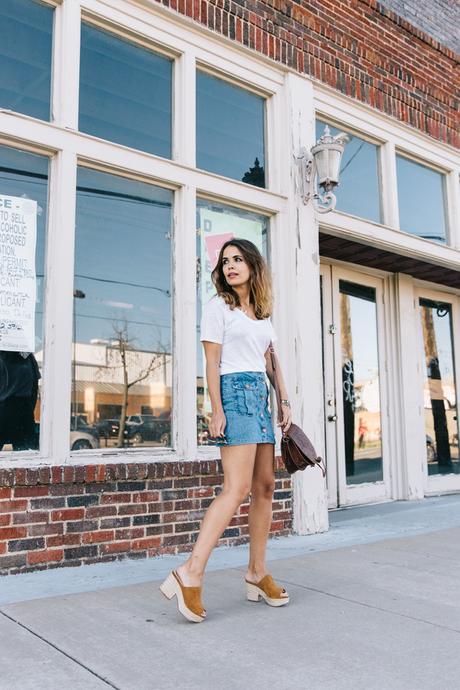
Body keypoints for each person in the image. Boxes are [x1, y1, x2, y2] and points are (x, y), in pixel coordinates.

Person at [160, 238, 292, 622]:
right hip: (234, 394)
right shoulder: (219, 306)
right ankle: (191, 571)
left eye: (237, 259)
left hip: (260, 399)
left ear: (253, 265)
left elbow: (270, 359)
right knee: (235, 489)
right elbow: (212, 362)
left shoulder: (262, 311)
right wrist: (216, 409)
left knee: (265, 485)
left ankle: (256, 572)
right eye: (225, 261)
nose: (231, 265)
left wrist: (284, 400)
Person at [0, 351, 40, 451]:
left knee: (27, 454)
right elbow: (34, 387)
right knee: (27, 455)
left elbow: (34, 386)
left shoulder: (27, 356)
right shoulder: (28, 357)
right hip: (23, 408)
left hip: (13, 407)